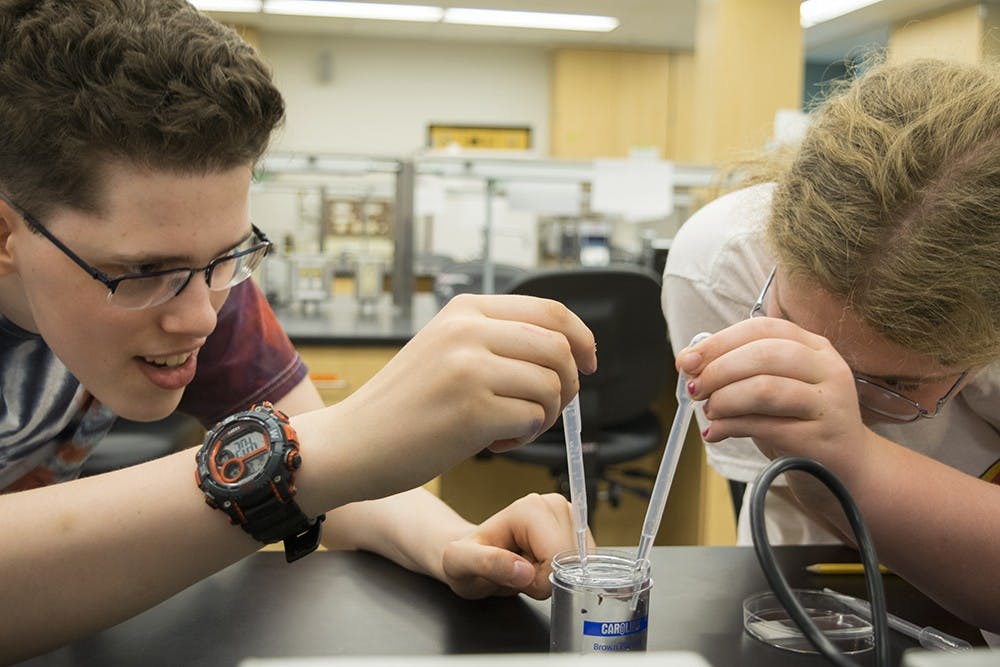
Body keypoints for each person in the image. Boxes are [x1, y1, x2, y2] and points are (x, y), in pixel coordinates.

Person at [0, 2, 598, 662]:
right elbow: (316, 458)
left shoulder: (202, 280)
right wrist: (317, 450)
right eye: (143, 269)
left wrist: (454, 540)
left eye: (228, 254)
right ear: (7, 235)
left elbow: (330, 484)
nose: (200, 315)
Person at [663, 56, 1000, 632]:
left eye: (895, 383)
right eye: (792, 325)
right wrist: (823, 477)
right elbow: (785, 501)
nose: (829, 385)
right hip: (811, 591)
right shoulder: (728, 261)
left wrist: (855, 466)